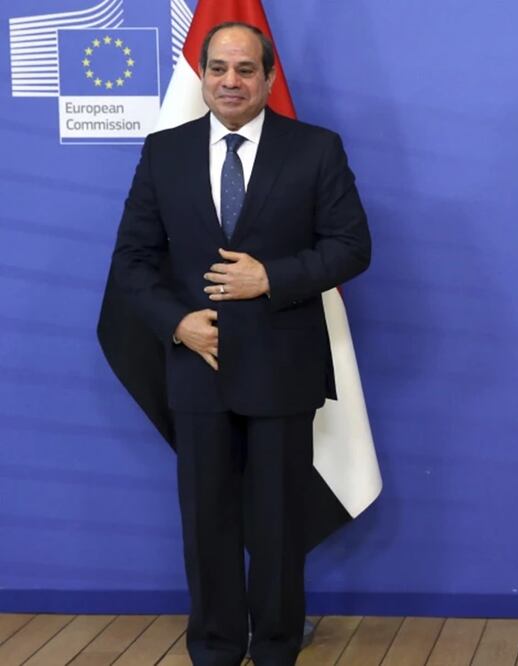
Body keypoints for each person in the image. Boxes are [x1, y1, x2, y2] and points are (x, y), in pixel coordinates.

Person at [108, 21, 371, 666]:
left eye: (246, 69)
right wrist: (177, 323)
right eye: (219, 69)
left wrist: (270, 277)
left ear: (269, 78)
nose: (231, 81)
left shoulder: (315, 149)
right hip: (197, 365)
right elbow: (132, 261)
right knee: (207, 522)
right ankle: (216, 648)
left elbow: (351, 247)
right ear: (202, 76)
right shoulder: (164, 151)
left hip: (283, 366)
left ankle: (277, 647)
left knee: (278, 523)